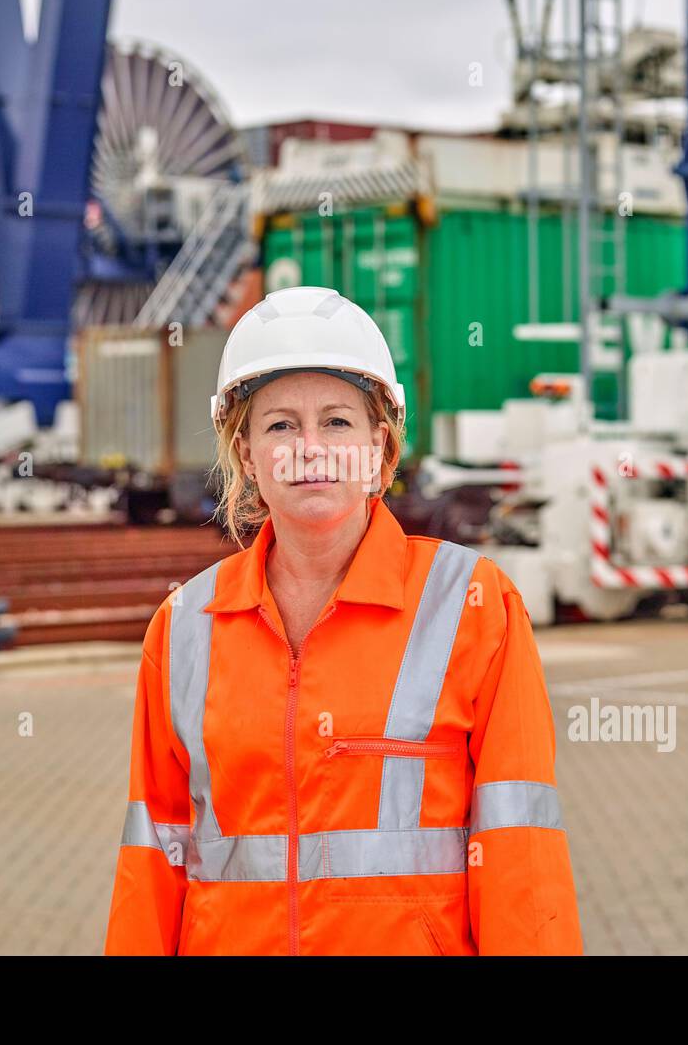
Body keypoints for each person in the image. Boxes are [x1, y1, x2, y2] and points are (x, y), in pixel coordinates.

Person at [103, 285, 583, 955]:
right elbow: (153, 859)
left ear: (379, 447)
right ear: (246, 456)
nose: (309, 448)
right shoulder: (185, 626)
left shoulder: (474, 606)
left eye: (336, 422)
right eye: (279, 426)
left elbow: (520, 851)